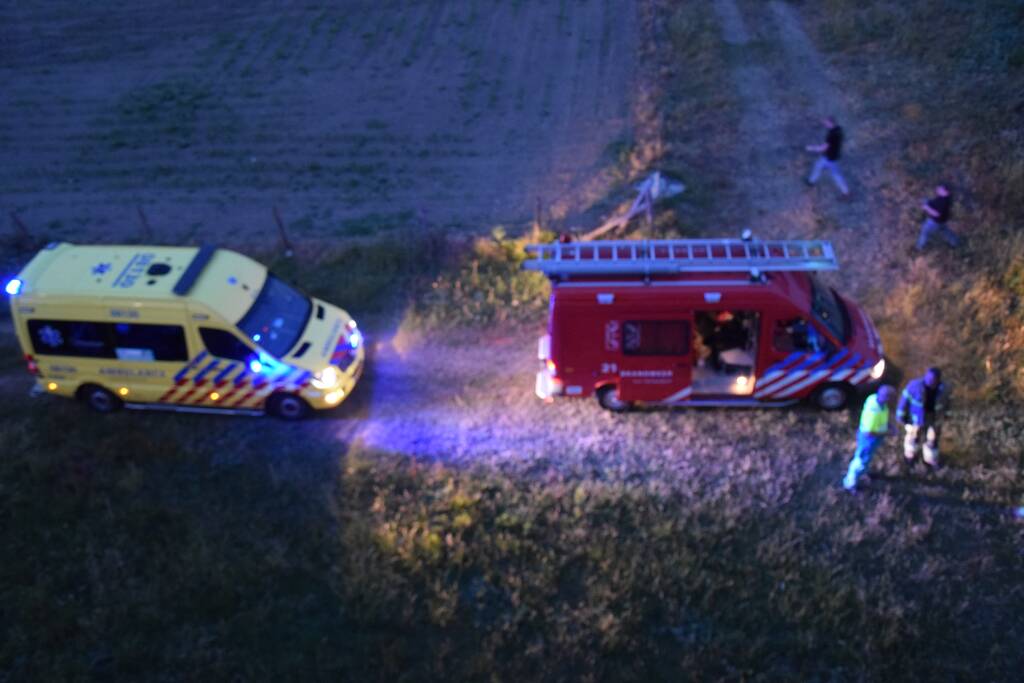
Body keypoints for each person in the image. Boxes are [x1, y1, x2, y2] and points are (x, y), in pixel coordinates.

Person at [842, 385, 896, 493]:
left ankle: (865, 472)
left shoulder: (874, 399)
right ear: (886, 398)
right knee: (860, 461)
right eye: (892, 398)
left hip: (873, 438)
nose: (893, 400)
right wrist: (887, 432)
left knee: (866, 459)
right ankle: (850, 483)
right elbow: (868, 433)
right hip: (868, 440)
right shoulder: (874, 413)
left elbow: (882, 418)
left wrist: (889, 425)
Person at [897, 367, 950, 469]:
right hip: (916, 419)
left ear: (938, 380)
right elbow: (904, 400)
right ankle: (910, 457)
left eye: (932, 380)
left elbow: (947, 403)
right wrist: (901, 414)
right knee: (913, 437)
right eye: (928, 378)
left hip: (934, 418)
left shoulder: (944, 389)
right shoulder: (914, 386)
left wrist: (947, 415)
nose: (929, 381)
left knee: (932, 440)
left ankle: (930, 459)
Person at [804, 116, 850, 197]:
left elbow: (823, 148)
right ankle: (811, 181)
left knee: (836, 175)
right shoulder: (839, 129)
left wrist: (811, 148)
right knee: (818, 166)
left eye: (826, 123)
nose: (825, 125)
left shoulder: (831, 135)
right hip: (834, 155)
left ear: (830, 123)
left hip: (830, 157)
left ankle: (846, 192)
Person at [916, 184, 960, 249]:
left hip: (935, 222)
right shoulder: (942, 198)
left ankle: (919, 247)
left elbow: (937, 214)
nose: (937, 190)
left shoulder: (944, 202)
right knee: (945, 231)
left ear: (946, 192)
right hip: (942, 221)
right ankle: (956, 243)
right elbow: (934, 203)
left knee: (924, 232)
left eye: (940, 189)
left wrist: (927, 208)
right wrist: (927, 202)